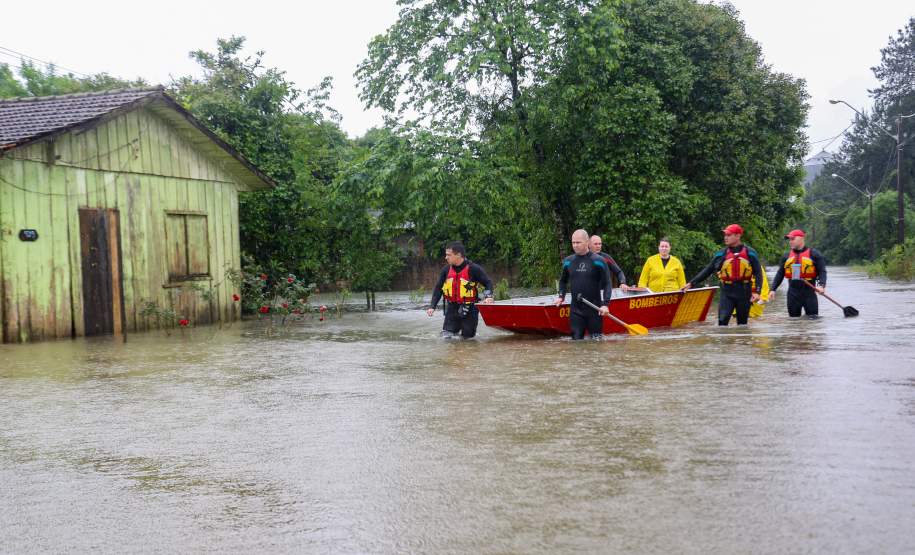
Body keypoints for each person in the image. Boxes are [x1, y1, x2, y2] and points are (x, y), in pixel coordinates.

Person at [682, 224, 763, 326]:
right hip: (727, 292)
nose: (725, 237)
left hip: (744, 291)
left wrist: (757, 292)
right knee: (722, 323)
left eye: (729, 235)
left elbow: (758, 273)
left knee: (742, 325)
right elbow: (708, 269)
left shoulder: (750, 253)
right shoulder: (721, 254)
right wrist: (691, 283)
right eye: (725, 235)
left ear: (738, 236)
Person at [427, 241, 495, 338]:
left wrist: (488, 297)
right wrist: (432, 306)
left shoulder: (474, 269)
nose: (446, 257)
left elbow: (488, 283)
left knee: (468, 340)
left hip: (470, 309)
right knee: (446, 338)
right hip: (452, 309)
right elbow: (438, 288)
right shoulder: (446, 270)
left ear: (458, 255)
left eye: (449, 255)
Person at [554, 229, 612, 339]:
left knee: (596, 345)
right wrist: (561, 296)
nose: (575, 245)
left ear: (587, 242)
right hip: (576, 311)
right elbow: (563, 281)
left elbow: (607, 284)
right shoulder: (568, 261)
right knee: (577, 345)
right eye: (573, 242)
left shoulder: (598, 260)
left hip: (595, 310)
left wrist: (605, 304)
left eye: (578, 242)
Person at [768, 229, 827, 317]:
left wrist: (821, 286)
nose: (790, 242)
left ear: (801, 238)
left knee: (813, 321)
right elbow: (780, 274)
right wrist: (773, 289)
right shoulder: (786, 256)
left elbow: (822, 271)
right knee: (793, 322)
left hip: (809, 293)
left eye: (793, 239)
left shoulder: (814, 254)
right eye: (789, 240)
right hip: (793, 294)